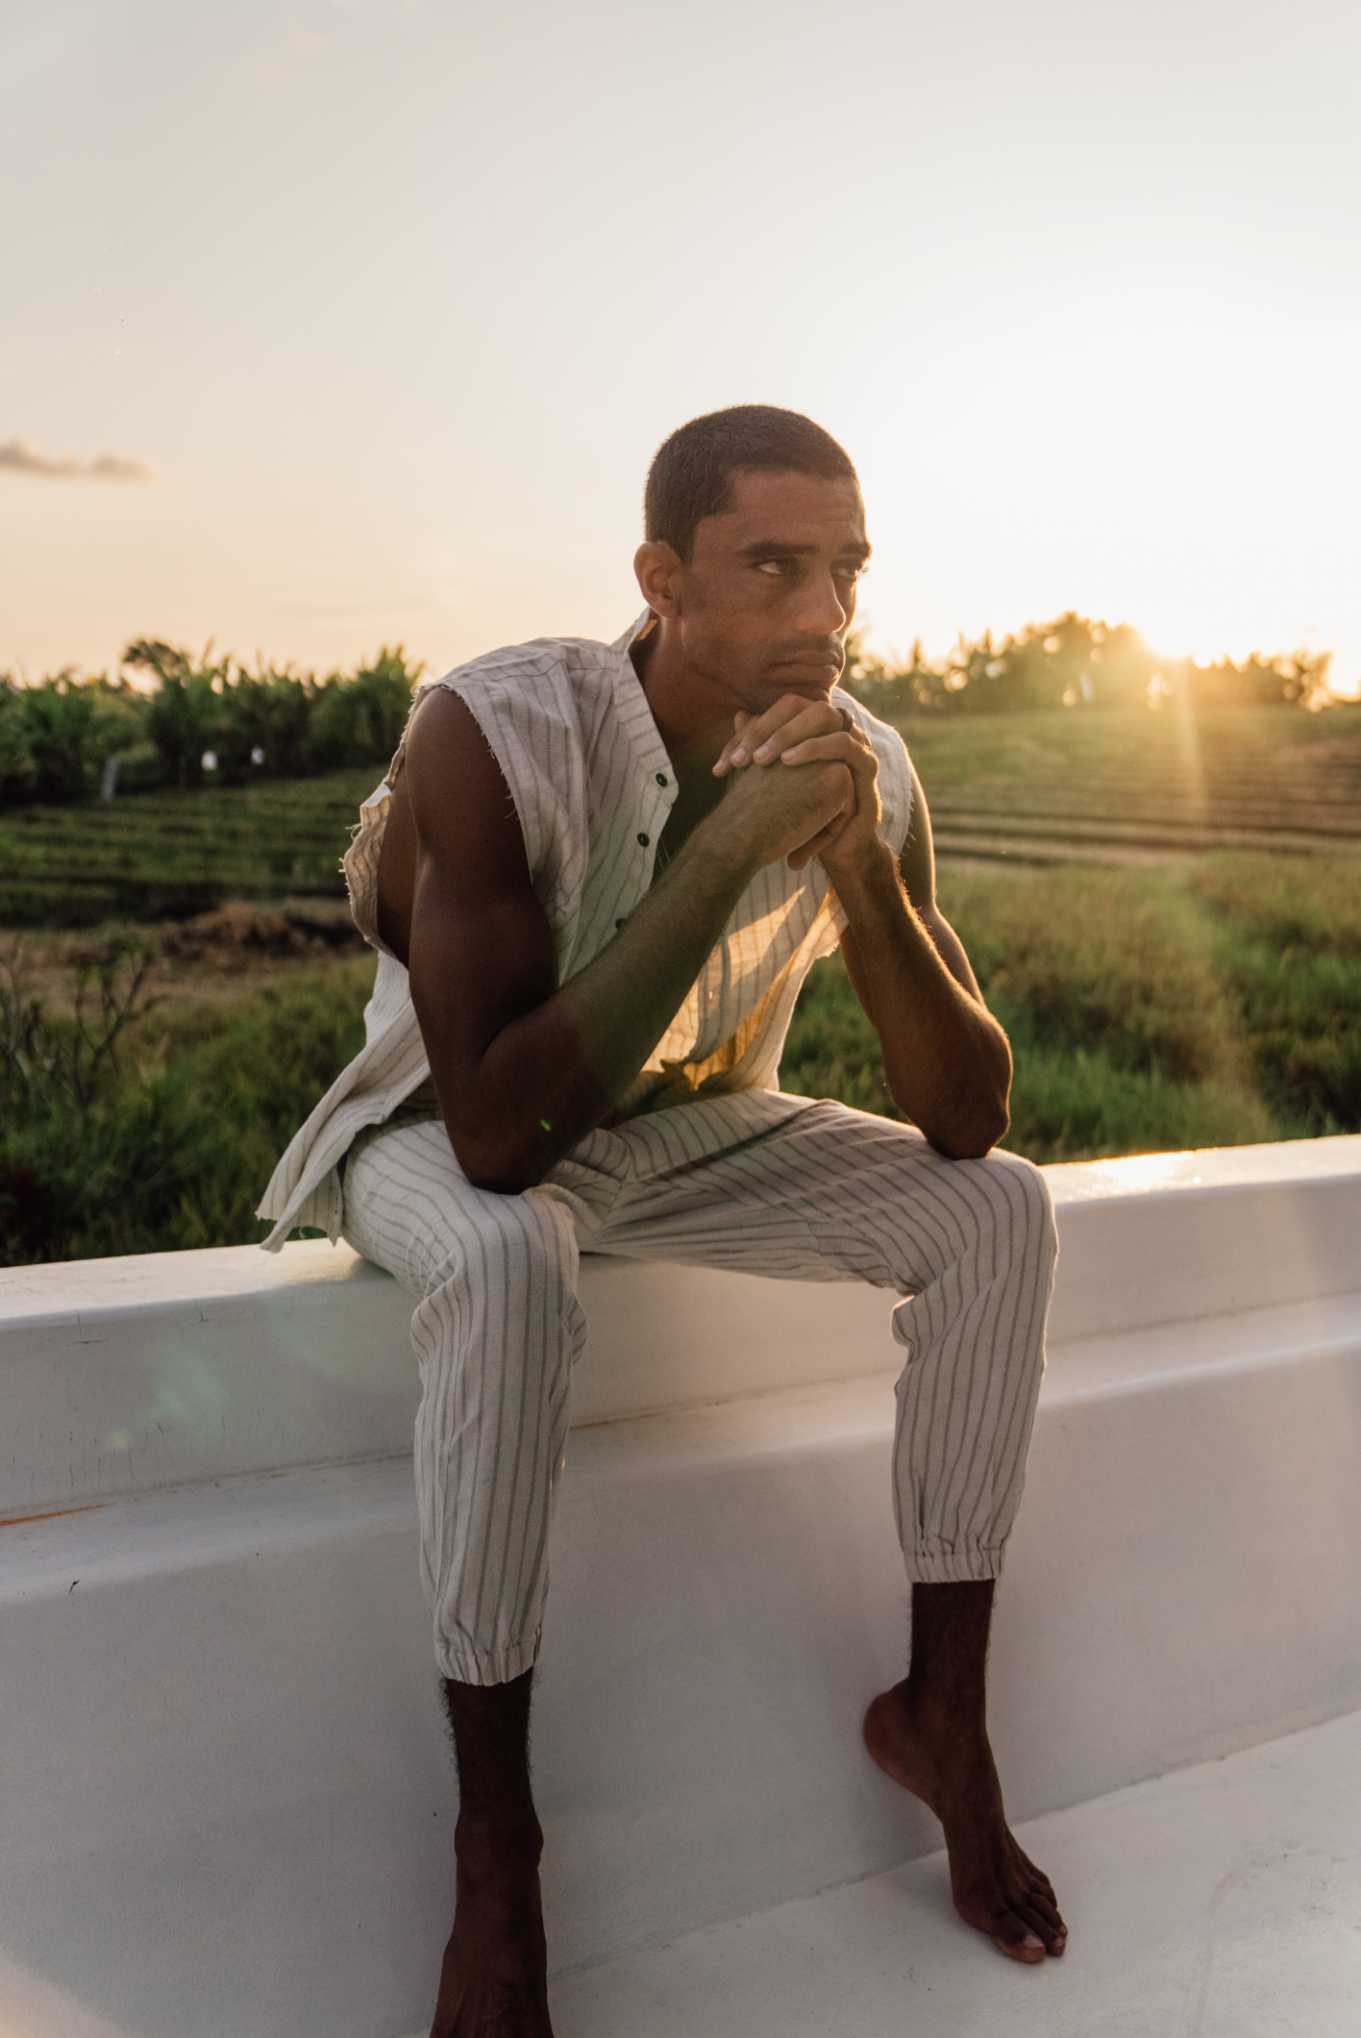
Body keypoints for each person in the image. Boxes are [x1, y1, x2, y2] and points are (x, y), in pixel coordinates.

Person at [255, 404, 1067, 2036]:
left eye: (843, 570)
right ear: (661, 576)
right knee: (508, 1253)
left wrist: (857, 868)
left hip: (681, 1134)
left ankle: (940, 1718)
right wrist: (720, 856)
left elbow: (967, 1114)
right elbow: (492, 1133)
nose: (821, 614)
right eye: (771, 567)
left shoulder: (867, 759)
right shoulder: (490, 731)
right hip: (438, 1126)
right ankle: (499, 1846)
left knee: (1001, 1214)